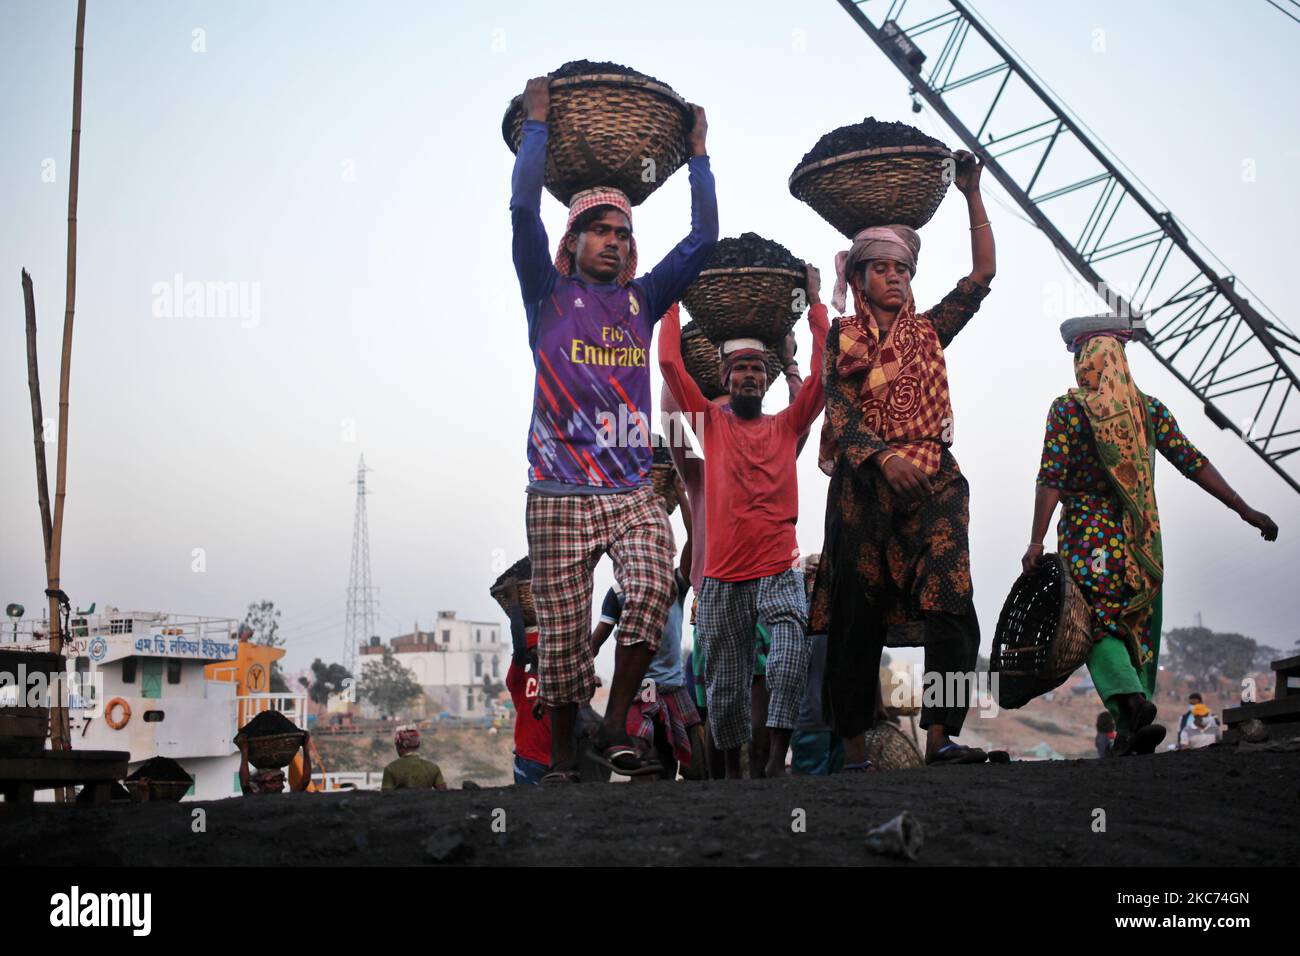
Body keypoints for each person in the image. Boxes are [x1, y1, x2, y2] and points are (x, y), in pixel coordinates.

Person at [511, 76, 717, 782]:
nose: (613, 241)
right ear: (572, 240)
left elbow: (704, 239)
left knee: (656, 583)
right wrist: (537, 124)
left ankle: (618, 715)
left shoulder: (642, 300)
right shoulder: (546, 293)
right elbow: (520, 211)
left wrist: (697, 155)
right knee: (564, 640)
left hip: (630, 487)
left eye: (622, 233)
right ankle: (567, 756)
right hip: (558, 486)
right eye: (599, 229)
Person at [809, 151, 996, 767]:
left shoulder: (929, 331)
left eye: (901, 269)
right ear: (859, 279)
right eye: (881, 269)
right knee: (856, 619)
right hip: (865, 487)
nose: (893, 278)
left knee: (952, 601)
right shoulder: (845, 337)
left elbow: (982, 275)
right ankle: (857, 749)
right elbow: (839, 411)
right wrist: (884, 459)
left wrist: (971, 194)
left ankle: (941, 738)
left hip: (933, 482)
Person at [1025, 319, 1278, 756]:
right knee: (1136, 626)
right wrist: (1245, 508)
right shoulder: (1149, 412)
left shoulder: (1069, 410)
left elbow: (1050, 478)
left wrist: (1035, 541)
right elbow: (1192, 461)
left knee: (1098, 627)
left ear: (1087, 360)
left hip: (1090, 543)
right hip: (1141, 544)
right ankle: (1132, 728)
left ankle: (1132, 708)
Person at [659, 264, 828, 779]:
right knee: (725, 681)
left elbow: (822, 376)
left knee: (790, 652)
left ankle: (776, 759)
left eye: (759, 368)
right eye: (741, 370)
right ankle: (732, 775)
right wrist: (670, 297)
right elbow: (669, 363)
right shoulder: (708, 426)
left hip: (778, 565)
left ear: (766, 379)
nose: (750, 376)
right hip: (722, 575)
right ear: (726, 378)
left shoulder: (786, 425)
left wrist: (816, 303)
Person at [592, 475, 703, 780]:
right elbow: (597, 641)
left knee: (693, 765)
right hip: (644, 688)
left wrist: (682, 494)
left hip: (673, 686)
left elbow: (695, 541)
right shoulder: (618, 592)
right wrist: (580, 669)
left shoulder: (675, 585)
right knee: (645, 757)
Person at [500, 579, 551, 786]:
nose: (544, 650)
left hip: (562, 760)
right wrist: (514, 602)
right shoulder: (519, 681)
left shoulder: (558, 676)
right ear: (531, 653)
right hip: (530, 760)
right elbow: (519, 646)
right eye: (539, 647)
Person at [238, 732, 311, 796]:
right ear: (260, 784)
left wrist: (305, 747)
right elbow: (245, 784)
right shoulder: (253, 798)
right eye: (273, 781)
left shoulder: (286, 800)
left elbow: (305, 780)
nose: (279, 785)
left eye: (281, 781)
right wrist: (244, 750)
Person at [380, 726, 448, 791]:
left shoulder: (390, 769)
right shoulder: (434, 768)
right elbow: (443, 793)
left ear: (399, 746)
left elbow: (385, 796)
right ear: (418, 745)